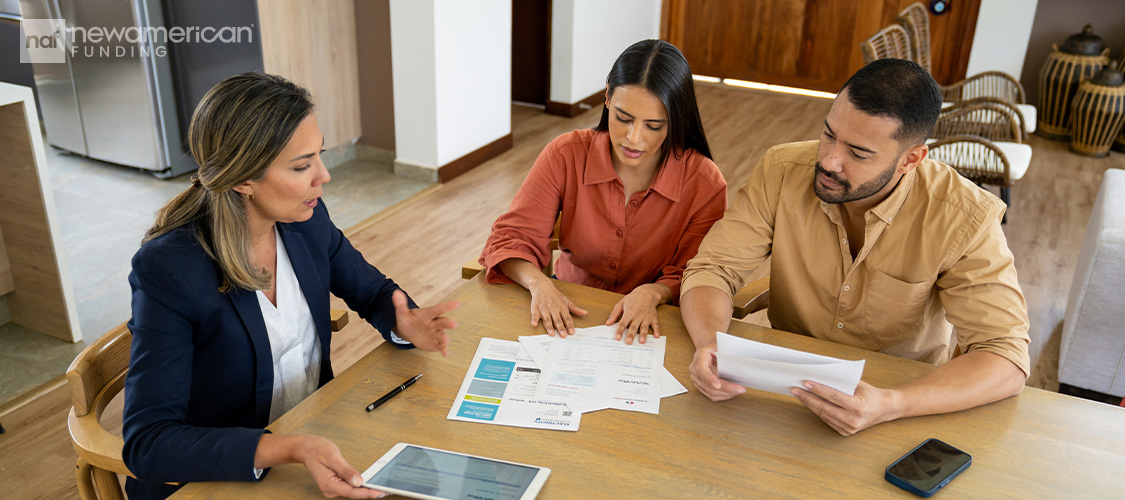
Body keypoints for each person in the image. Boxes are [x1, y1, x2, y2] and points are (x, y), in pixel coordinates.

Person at [122, 73, 459, 500]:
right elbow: (148, 442)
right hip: (220, 480)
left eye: (319, 156)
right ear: (243, 179)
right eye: (302, 166)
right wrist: (289, 448)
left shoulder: (306, 220)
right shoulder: (169, 268)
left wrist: (402, 323)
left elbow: (375, 294)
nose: (324, 176)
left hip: (313, 444)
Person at [680, 59, 1030, 436]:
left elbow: (1005, 356)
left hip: (900, 400)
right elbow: (712, 269)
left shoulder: (965, 217)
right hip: (782, 390)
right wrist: (710, 343)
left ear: (910, 159)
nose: (829, 161)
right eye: (828, 134)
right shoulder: (781, 170)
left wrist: (891, 405)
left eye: (858, 153)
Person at [480, 39, 727, 344]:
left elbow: (698, 274)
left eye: (653, 126)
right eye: (623, 118)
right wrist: (538, 283)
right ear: (608, 96)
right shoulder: (565, 154)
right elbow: (510, 239)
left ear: (676, 119)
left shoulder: (704, 183)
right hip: (566, 306)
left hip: (654, 322)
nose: (633, 138)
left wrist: (654, 292)